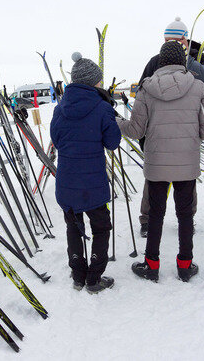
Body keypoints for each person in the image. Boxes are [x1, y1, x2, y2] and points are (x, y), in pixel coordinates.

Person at [118, 41, 204, 282]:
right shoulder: (198, 87)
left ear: (160, 61)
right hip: (187, 164)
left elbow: (136, 130)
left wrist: (117, 121)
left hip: (156, 164)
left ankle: (151, 265)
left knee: (155, 215)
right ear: (183, 62)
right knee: (185, 215)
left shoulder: (146, 89)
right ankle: (185, 265)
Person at [137, 17, 204, 237]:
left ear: (185, 39)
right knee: (154, 180)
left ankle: (187, 218)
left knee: (186, 180)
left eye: (174, 40)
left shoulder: (198, 57)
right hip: (157, 133)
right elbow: (142, 93)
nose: (169, 44)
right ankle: (147, 220)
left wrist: (187, 59)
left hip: (186, 131)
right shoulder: (156, 60)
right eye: (166, 40)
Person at [50, 52, 121, 294]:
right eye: (98, 81)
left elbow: (57, 140)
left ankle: (78, 275)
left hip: (68, 180)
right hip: (93, 183)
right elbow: (113, 142)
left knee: (74, 227)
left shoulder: (60, 109)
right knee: (101, 227)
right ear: (92, 82)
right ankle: (94, 277)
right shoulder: (102, 107)